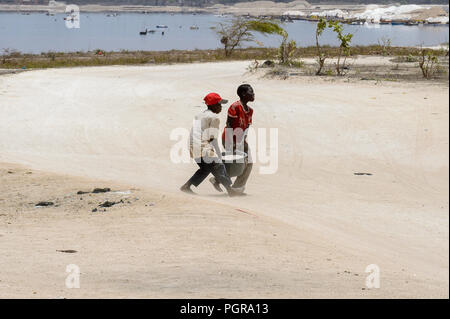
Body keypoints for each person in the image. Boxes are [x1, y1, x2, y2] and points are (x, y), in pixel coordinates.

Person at [180, 93, 244, 197]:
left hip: (192, 146)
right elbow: (212, 139)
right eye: (219, 105)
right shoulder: (214, 118)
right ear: (213, 105)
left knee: (205, 169)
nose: (221, 107)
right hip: (202, 146)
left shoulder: (199, 115)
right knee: (219, 166)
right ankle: (230, 191)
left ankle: (186, 186)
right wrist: (219, 154)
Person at [210, 84, 254, 193]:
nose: (253, 94)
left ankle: (236, 187)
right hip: (230, 139)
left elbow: (247, 127)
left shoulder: (250, 110)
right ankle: (220, 180)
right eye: (251, 92)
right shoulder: (235, 107)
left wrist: (243, 141)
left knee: (249, 163)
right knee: (235, 165)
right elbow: (229, 125)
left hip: (241, 140)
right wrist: (232, 144)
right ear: (243, 94)